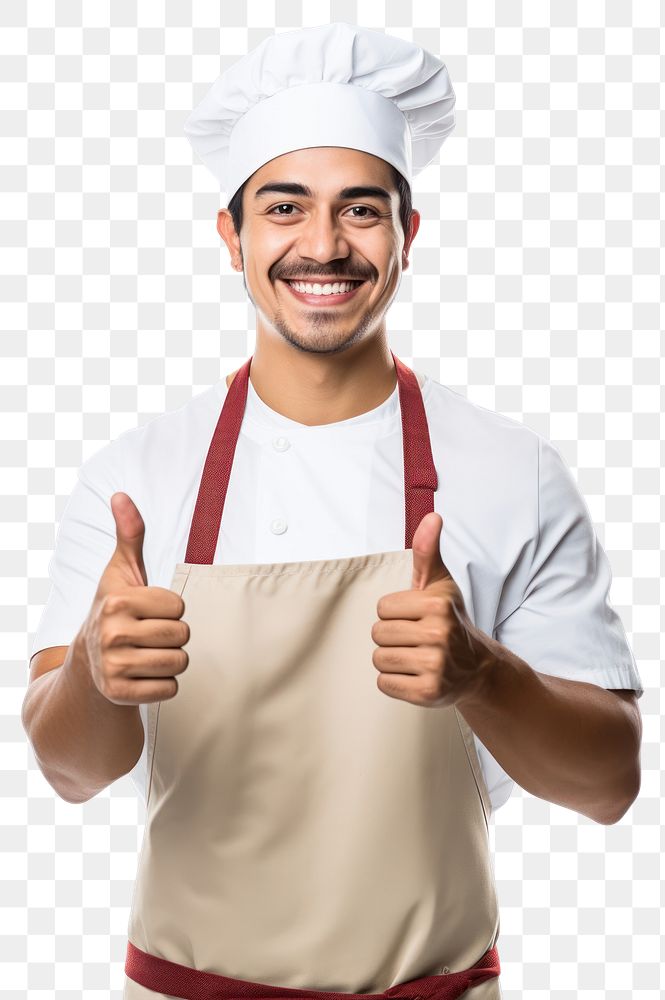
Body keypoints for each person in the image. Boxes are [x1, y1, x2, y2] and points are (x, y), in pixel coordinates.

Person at [22, 22, 643, 1000]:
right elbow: (67, 774)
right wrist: (96, 672)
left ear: (407, 235)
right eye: (284, 207)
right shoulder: (137, 472)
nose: (323, 245)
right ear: (231, 235)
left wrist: (480, 674)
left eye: (360, 209)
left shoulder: (510, 470)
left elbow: (607, 785)